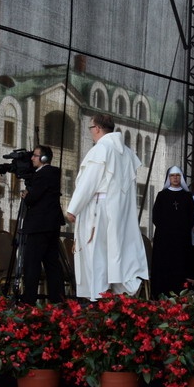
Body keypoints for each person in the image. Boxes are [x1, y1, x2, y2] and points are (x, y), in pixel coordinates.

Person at [65, 113, 149, 300]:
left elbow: (89, 181)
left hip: (98, 210)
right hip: (118, 212)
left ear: (97, 128)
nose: (91, 133)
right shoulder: (126, 152)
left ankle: (98, 298)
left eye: (90, 128)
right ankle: (118, 294)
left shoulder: (101, 149)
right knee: (115, 252)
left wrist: (73, 208)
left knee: (96, 254)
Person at [19, 145, 66, 304]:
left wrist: (26, 195)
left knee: (32, 263)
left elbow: (33, 198)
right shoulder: (54, 173)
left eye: (35, 155)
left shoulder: (42, 175)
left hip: (38, 225)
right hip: (52, 224)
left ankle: (29, 300)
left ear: (44, 158)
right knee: (52, 262)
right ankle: (57, 299)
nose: (32, 158)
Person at [150, 166, 194, 298]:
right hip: (164, 239)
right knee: (163, 266)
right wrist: (167, 231)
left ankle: (180, 293)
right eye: (172, 176)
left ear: (181, 178)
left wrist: (181, 230)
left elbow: (191, 218)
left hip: (181, 240)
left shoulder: (187, 197)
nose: (175, 178)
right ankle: (161, 294)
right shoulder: (161, 195)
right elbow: (156, 217)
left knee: (181, 266)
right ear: (168, 178)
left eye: (178, 176)